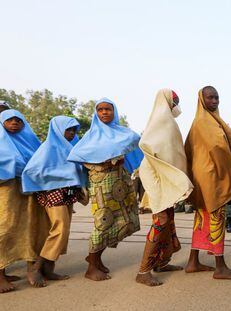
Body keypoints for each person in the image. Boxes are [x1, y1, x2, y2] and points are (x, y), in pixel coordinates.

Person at [68, 98, 141, 281]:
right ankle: (91, 267)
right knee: (103, 222)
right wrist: (104, 162)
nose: (104, 113)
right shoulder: (91, 137)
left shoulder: (122, 133)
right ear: (96, 113)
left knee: (121, 219)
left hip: (120, 182)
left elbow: (135, 141)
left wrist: (120, 158)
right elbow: (78, 156)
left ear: (114, 111)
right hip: (102, 185)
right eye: (100, 110)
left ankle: (96, 259)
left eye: (107, 109)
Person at [184, 86, 231, 279]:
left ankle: (193, 261)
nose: (215, 101)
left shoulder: (202, 120)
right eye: (210, 98)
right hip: (212, 177)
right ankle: (220, 266)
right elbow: (218, 148)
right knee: (218, 217)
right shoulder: (205, 121)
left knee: (201, 219)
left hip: (203, 177)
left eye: (217, 97)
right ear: (202, 99)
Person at [136, 89, 193, 286]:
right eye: (174, 101)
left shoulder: (166, 120)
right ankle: (143, 271)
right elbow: (146, 144)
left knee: (168, 218)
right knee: (161, 220)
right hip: (156, 175)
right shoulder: (162, 120)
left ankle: (161, 262)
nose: (176, 104)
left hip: (163, 175)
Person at [21, 116, 87, 280]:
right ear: (58, 129)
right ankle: (37, 267)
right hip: (53, 192)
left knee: (64, 229)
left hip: (69, 192)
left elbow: (77, 172)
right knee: (61, 227)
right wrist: (60, 176)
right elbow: (31, 171)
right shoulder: (47, 148)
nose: (72, 133)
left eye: (74, 130)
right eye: (68, 129)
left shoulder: (71, 149)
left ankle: (49, 268)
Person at [0, 109, 49, 293]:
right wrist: (16, 166)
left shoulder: (30, 142)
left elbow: (40, 161)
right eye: (9, 120)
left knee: (30, 227)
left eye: (18, 120)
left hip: (28, 192)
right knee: (5, 227)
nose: (14, 123)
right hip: (6, 192)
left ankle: (31, 268)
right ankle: (0, 274)